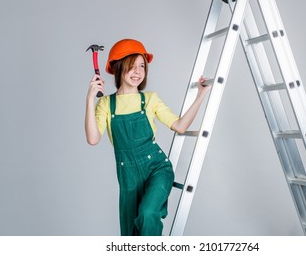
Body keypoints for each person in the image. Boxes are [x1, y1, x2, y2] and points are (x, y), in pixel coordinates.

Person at [85, 38, 211, 236]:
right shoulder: (106, 105)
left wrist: (201, 96)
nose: (138, 71)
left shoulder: (149, 99)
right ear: (118, 68)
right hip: (128, 179)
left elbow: (179, 126)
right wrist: (90, 98)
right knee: (130, 234)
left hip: (157, 169)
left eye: (142, 66)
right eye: (132, 66)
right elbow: (93, 139)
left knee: (148, 213)